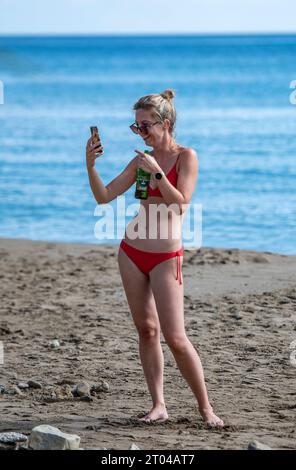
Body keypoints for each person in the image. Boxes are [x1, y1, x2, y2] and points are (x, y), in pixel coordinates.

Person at [86, 89, 224, 428]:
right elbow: (105, 197)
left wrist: (157, 173)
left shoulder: (186, 157)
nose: (141, 133)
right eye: (136, 128)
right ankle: (159, 405)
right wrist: (90, 165)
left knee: (176, 338)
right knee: (147, 331)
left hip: (166, 256)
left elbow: (181, 204)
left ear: (166, 124)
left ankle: (205, 408)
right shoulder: (139, 160)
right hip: (132, 253)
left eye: (145, 126)